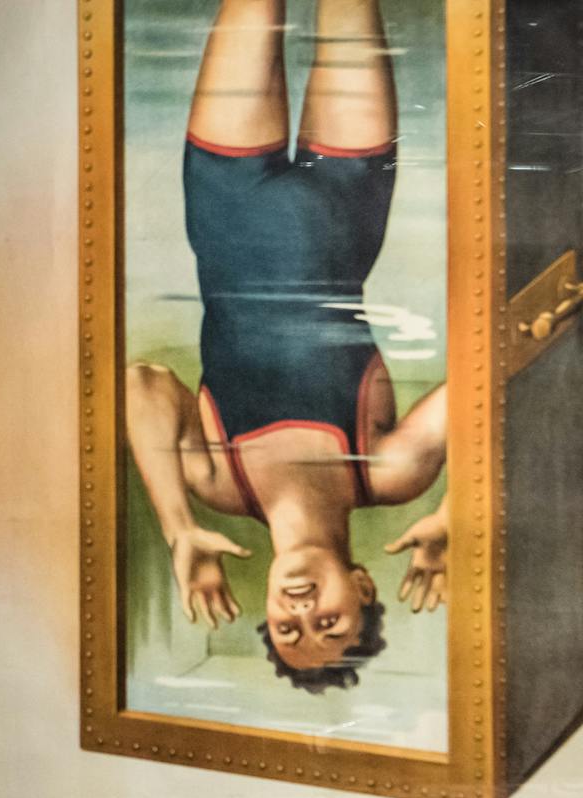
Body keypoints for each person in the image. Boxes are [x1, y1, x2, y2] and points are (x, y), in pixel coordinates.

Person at [126, 0, 448, 694]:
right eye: (330, 624)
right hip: (350, 193)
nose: (301, 613)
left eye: (285, 628)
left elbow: (143, 384)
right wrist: (468, 510)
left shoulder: (217, 483)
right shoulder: (389, 474)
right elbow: (490, 390)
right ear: (362, 586)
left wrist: (180, 528)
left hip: (227, 189)